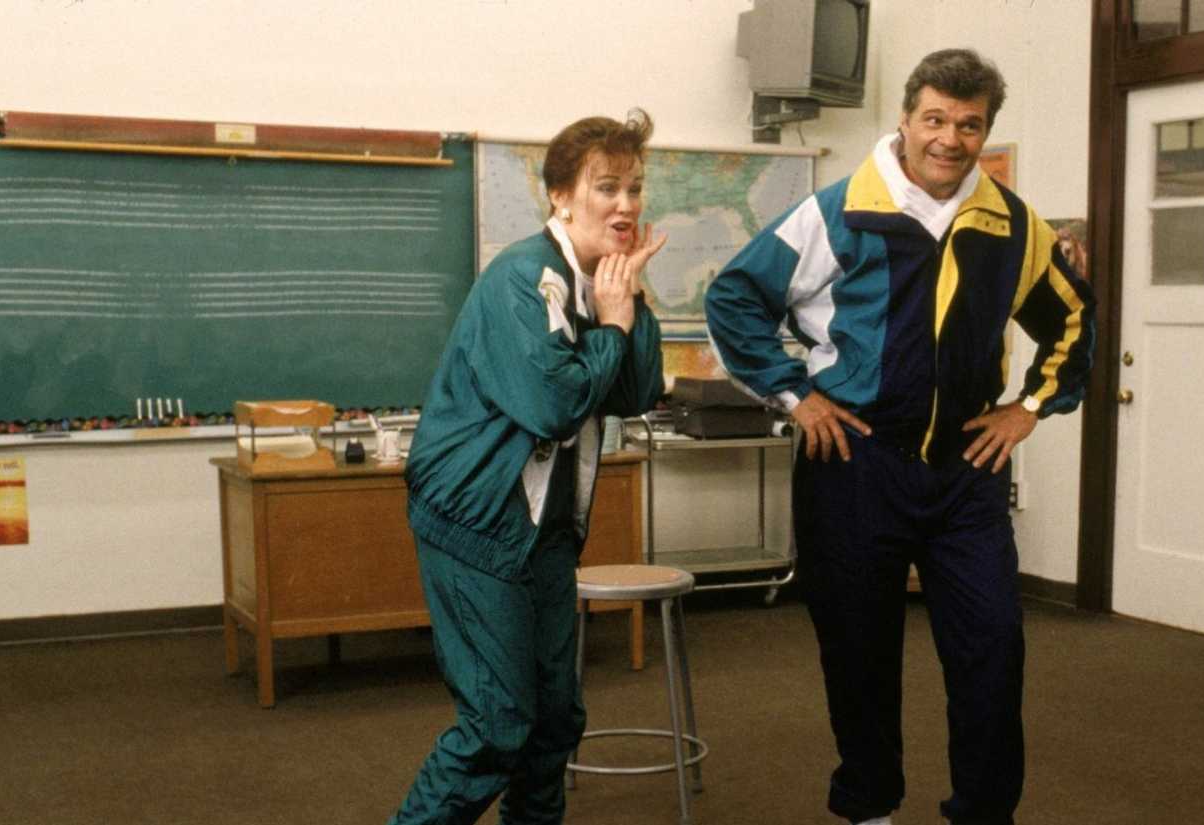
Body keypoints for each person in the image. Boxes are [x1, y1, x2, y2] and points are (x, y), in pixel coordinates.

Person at [705, 49, 1095, 825]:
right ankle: (869, 808)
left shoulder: (1014, 225)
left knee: (992, 649)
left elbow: (1072, 322)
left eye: (969, 124)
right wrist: (796, 396)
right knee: (859, 652)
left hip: (965, 476)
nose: (950, 138)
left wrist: (1027, 409)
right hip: (853, 463)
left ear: (986, 130)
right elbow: (736, 296)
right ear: (907, 119)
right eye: (936, 119)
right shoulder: (838, 210)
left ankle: (984, 812)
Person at [390, 109, 666, 825]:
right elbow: (554, 404)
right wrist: (611, 324)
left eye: (635, 189)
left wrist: (630, 300)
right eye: (607, 188)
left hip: (542, 529)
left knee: (552, 720)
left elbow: (633, 393)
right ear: (561, 197)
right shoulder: (522, 277)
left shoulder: (604, 279)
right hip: (474, 522)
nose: (627, 205)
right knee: (497, 723)